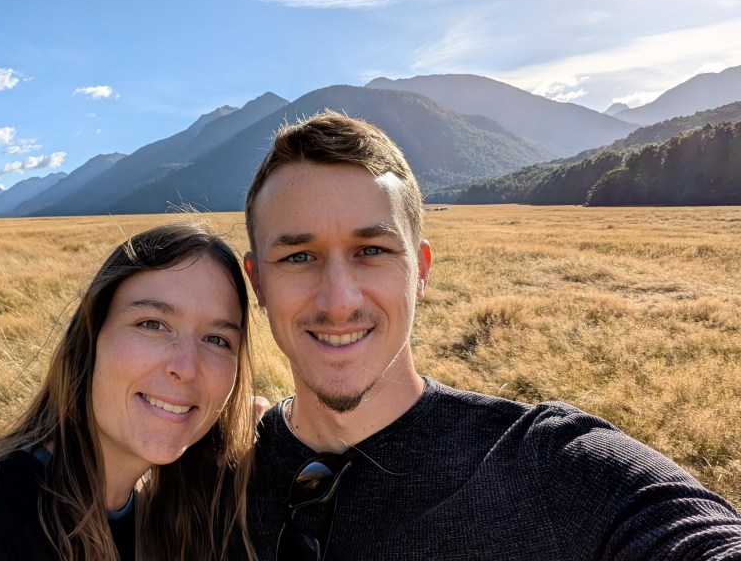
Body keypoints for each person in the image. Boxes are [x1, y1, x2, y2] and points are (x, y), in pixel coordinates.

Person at [242, 110, 741, 560]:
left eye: (372, 250)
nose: (338, 300)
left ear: (420, 270)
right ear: (257, 281)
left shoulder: (551, 467)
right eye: (298, 257)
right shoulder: (220, 467)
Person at [0, 222, 257, 560]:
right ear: (90, 338)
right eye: (152, 324)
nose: (187, 367)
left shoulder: (189, 511)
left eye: (216, 339)